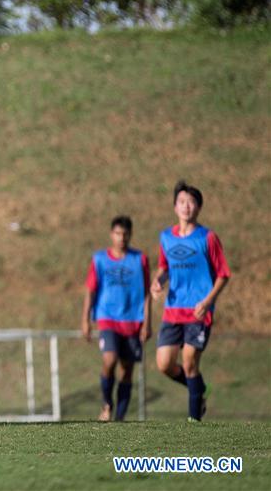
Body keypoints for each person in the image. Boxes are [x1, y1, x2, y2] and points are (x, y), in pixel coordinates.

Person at [152, 180, 230, 421]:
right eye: (182, 202)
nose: (186, 207)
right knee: (164, 364)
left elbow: (223, 274)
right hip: (173, 310)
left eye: (191, 202)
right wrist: (158, 281)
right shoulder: (166, 237)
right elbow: (164, 266)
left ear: (198, 208)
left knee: (188, 363)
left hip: (198, 311)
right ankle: (199, 390)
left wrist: (207, 302)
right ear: (175, 207)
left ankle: (193, 421)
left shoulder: (208, 238)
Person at [81, 215, 152, 421]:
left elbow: (147, 292)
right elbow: (90, 290)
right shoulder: (99, 260)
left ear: (130, 235)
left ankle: (119, 419)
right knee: (109, 359)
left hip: (132, 320)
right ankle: (106, 403)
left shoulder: (140, 259)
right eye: (118, 233)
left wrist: (147, 322)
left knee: (127, 370)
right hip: (107, 318)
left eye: (125, 234)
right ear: (111, 234)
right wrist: (85, 319)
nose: (122, 238)